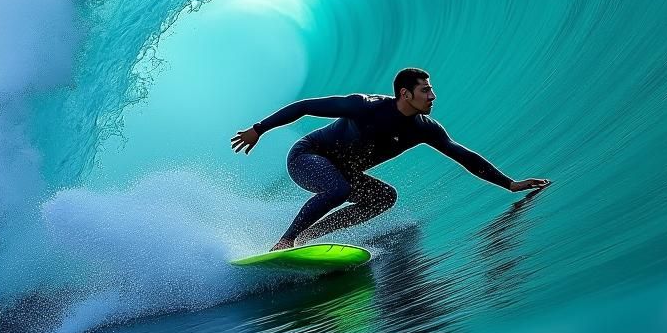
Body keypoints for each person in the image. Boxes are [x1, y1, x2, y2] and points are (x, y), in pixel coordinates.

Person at [230, 67, 551, 251]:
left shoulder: (425, 129)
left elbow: (464, 157)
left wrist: (510, 184)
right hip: (307, 157)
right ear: (405, 94)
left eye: (431, 90)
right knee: (339, 189)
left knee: (384, 197)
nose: (432, 96)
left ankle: (311, 236)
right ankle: (286, 240)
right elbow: (305, 107)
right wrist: (259, 129)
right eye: (425, 90)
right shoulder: (365, 106)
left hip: (341, 170)